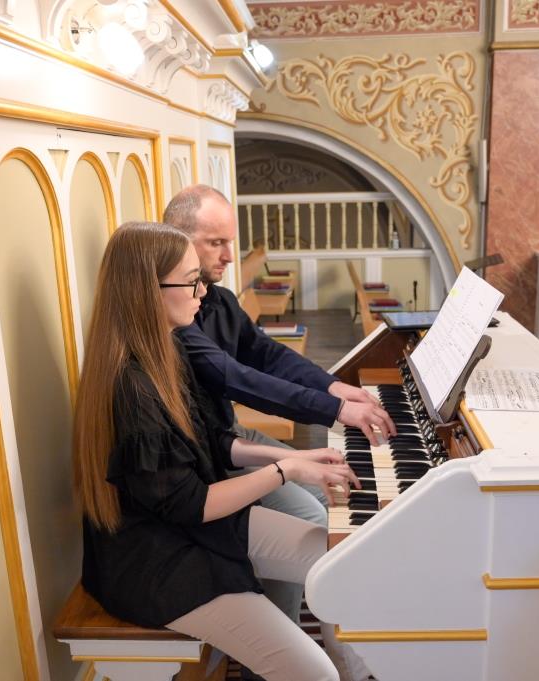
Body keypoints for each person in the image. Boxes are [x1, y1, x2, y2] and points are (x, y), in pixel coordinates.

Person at [73, 223, 370, 681]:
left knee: (345, 561)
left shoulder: (167, 350)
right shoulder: (133, 387)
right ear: (148, 291)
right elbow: (193, 504)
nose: (203, 291)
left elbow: (212, 443)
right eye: (191, 281)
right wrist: (286, 470)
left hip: (193, 528)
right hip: (159, 560)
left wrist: (295, 460)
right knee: (316, 673)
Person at [163, 185, 397, 639]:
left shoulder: (218, 299)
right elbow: (238, 379)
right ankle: (281, 644)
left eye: (230, 242)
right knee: (306, 521)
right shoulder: (175, 318)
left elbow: (266, 355)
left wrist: (333, 385)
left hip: (229, 436)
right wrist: (335, 410)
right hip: (206, 458)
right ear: (178, 241)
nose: (229, 256)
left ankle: (333, 639)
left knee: (329, 498)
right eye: (216, 243)